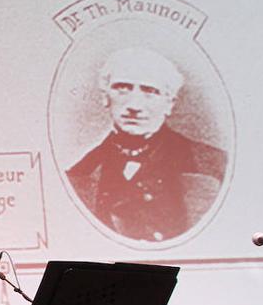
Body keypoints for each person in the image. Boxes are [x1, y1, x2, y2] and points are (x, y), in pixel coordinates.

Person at [67, 47, 227, 241]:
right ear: (104, 97)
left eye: (149, 91)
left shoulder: (213, 167)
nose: (134, 105)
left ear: (170, 103)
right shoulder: (80, 175)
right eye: (122, 88)